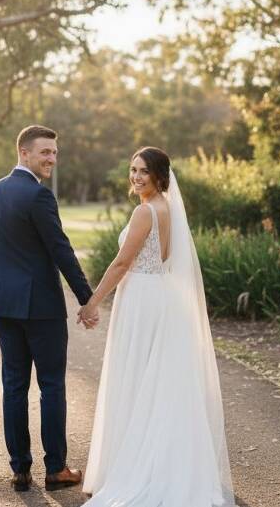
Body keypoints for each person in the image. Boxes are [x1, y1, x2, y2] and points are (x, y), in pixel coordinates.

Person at [77, 147, 235, 506]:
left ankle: (137, 468)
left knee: (136, 376)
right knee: (158, 381)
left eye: (143, 171)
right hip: (160, 297)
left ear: (160, 175)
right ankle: (164, 461)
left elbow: (121, 264)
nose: (136, 177)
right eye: (133, 170)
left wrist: (92, 301)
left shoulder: (145, 211)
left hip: (141, 301)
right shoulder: (169, 208)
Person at [0, 125, 93, 492]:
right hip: (41, 308)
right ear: (23, 153)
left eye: (55, 153)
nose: (51, 159)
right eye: (45, 152)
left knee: (13, 386)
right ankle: (56, 470)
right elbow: (61, 250)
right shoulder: (38, 196)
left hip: (3, 306)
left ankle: (20, 470)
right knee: (51, 386)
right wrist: (86, 298)